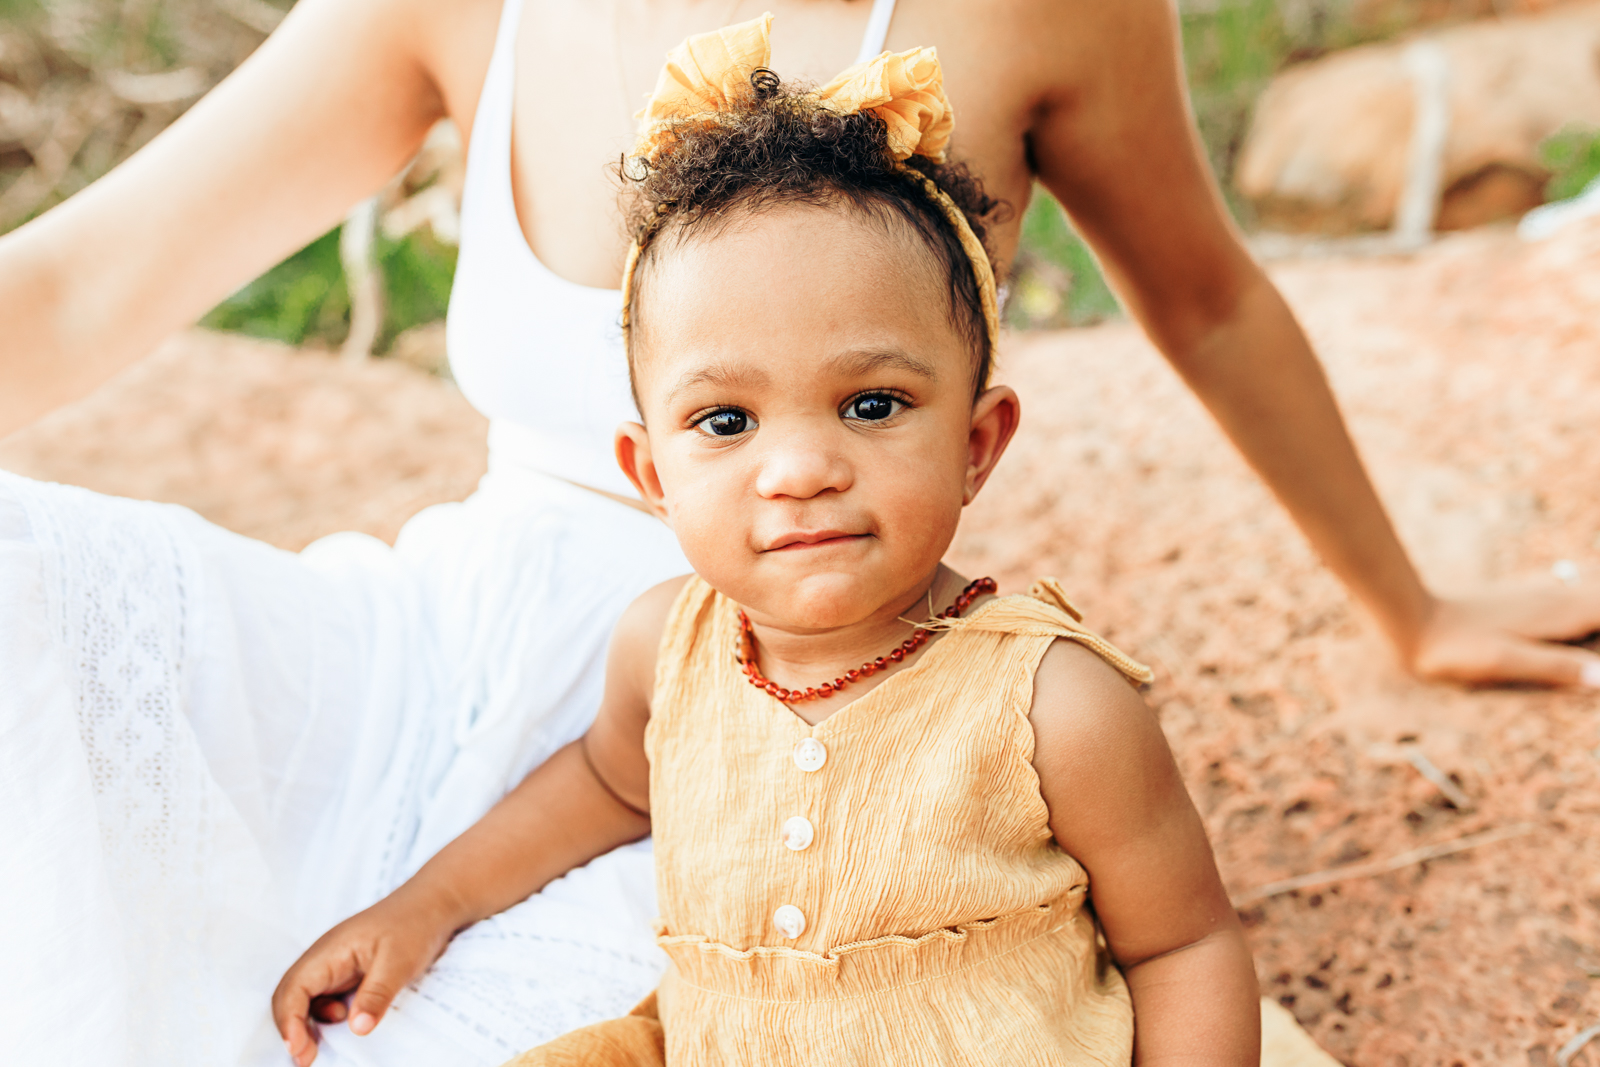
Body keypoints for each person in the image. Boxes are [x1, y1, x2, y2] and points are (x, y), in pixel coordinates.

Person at [0, 0, 1595, 1063]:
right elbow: (70, 288)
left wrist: (1411, 602)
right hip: (444, 649)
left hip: (802, 703)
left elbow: (1208, 296)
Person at [271, 28, 1260, 1065]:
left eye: (870, 403)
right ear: (651, 474)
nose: (798, 469)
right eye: (726, 421)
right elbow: (608, 784)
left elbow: (1183, 942)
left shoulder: (1051, 704)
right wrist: (424, 906)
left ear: (977, 443)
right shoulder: (668, 647)